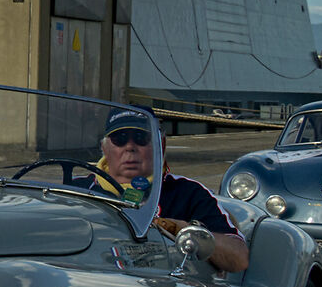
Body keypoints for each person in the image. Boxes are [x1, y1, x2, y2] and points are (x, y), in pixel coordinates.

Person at [98, 109, 251, 274]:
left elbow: (239, 259)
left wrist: (181, 230)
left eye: (141, 138)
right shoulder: (80, 188)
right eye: (119, 139)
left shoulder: (188, 193)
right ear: (105, 148)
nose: (130, 147)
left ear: (159, 145)